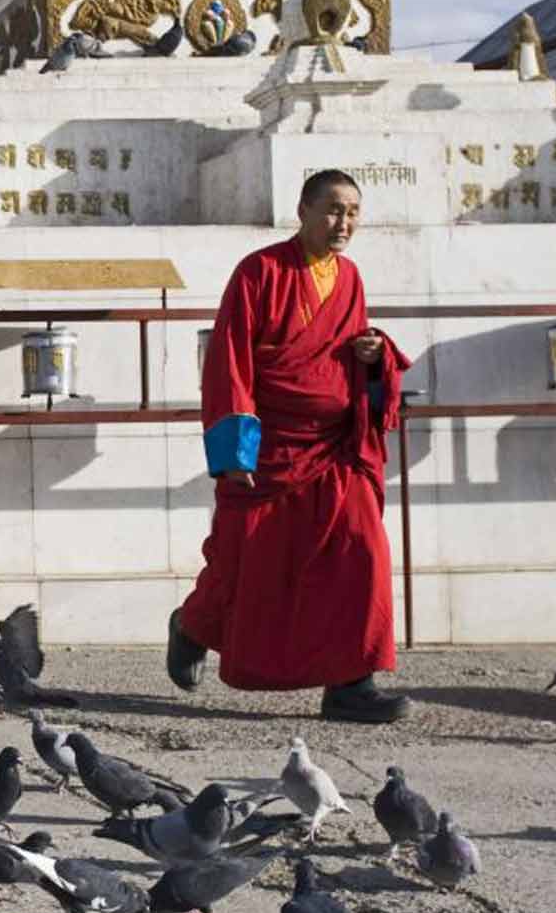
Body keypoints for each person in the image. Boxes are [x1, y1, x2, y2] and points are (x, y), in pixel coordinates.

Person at [168, 168, 412, 723]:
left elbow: (345, 350)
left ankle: (352, 683)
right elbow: (230, 362)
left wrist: (374, 359)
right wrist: (235, 452)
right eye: (331, 209)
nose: (343, 222)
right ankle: (191, 626)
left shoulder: (349, 277)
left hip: (333, 449)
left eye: (352, 211)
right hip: (271, 446)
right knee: (240, 560)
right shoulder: (260, 272)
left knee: (361, 550)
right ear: (301, 211)